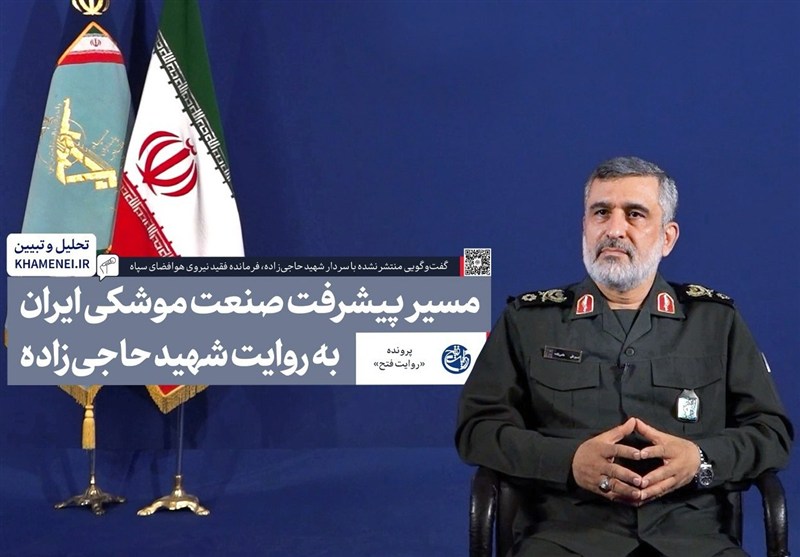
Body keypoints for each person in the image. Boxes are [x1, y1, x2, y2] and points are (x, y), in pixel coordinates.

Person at [455, 156, 793, 557]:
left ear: (667, 238)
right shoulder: (528, 322)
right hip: (566, 537)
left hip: (692, 540)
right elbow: (477, 429)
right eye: (601, 212)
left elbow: (772, 433)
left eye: (635, 214)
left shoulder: (716, 322)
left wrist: (701, 459)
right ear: (584, 227)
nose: (615, 229)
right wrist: (568, 462)